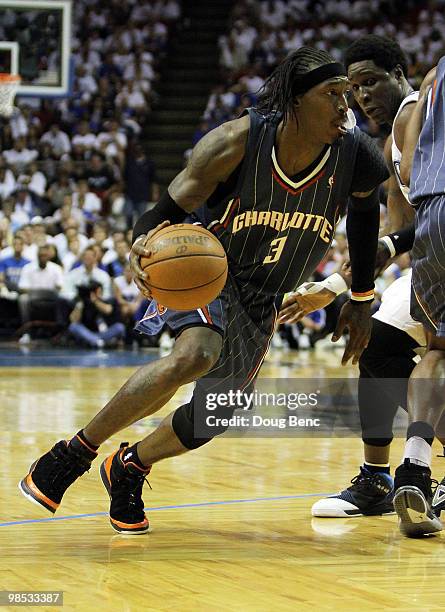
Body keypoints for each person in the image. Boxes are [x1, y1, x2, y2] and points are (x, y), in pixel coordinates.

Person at [20, 47, 388, 534]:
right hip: (211, 272)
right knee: (197, 352)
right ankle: (74, 453)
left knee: (216, 413)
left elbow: (365, 224)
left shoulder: (356, 153)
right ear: (296, 101)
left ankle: (129, 465)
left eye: (348, 95)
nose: (347, 107)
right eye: (333, 95)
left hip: (265, 297)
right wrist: (140, 241)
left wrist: (360, 298)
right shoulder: (237, 141)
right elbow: (168, 206)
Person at [389, 59, 445, 536]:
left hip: (431, 213)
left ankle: (413, 465)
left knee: (437, 350)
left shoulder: (433, 77)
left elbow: (407, 168)